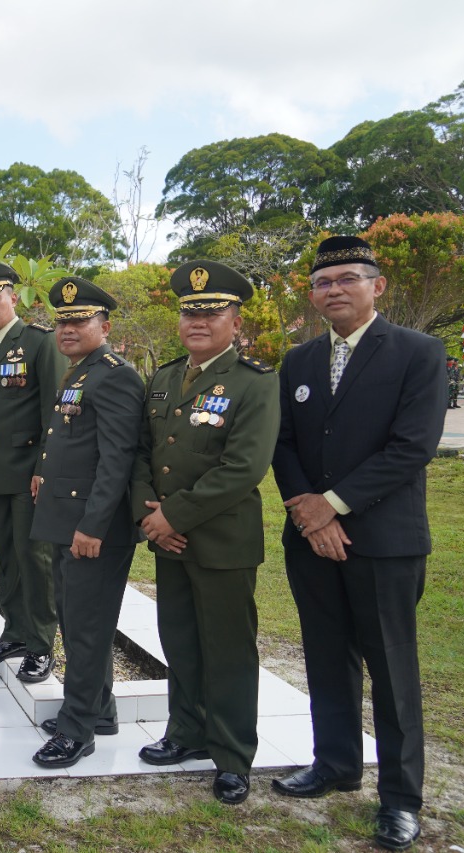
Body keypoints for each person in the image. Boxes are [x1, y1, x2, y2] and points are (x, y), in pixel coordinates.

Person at [271, 235, 445, 851]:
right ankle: (336, 764)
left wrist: (334, 505)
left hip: (383, 541)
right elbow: (284, 444)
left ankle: (400, 799)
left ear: (378, 285)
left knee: (392, 670)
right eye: (323, 282)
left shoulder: (420, 352)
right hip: (313, 540)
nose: (335, 290)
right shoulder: (298, 362)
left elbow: (413, 445)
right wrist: (312, 518)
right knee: (325, 656)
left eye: (348, 278)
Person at [129, 261, 278, 806]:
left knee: (228, 651)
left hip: (221, 543)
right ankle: (185, 733)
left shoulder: (255, 382)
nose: (197, 321)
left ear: (235, 321)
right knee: (181, 643)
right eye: (190, 311)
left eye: (211, 312)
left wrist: (174, 517)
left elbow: (243, 468)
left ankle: (233, 755)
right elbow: (143, 453)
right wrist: (152, 520)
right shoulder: (165, 378)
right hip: (167, 539)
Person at [29, 277, 143, 769]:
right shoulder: (80, 372)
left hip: (92, 528)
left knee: (87, 629)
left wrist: (93, 526)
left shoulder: (114, 374)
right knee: (77, 622)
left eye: (79, 320)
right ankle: (99, 711)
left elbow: (118, 459)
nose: (68, 328)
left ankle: (77, 729)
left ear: (105, 326)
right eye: (62, 321)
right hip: (65, 520)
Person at [0, 261, 63, 685]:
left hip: (29, 475)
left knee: (35, 562)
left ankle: (41, 645)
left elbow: (54, 413)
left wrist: (45, 469)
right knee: (6, 559)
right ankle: (15, 631)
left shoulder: (38, 343)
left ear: (12, 298)